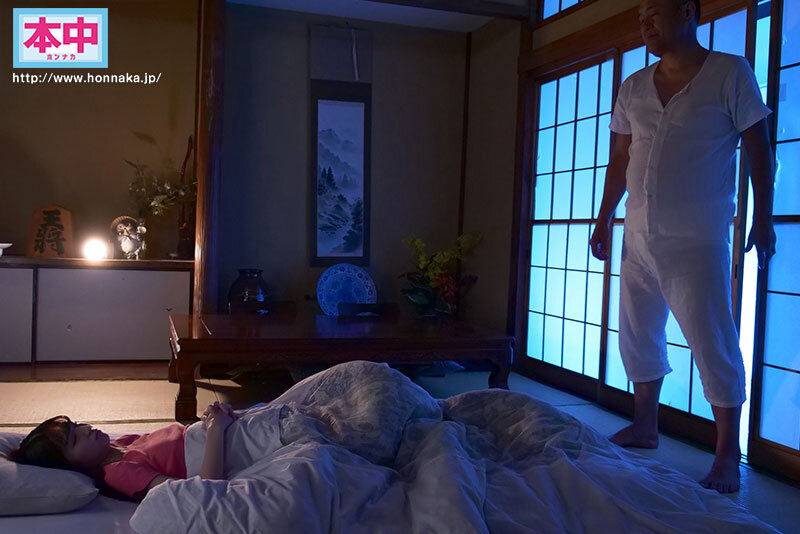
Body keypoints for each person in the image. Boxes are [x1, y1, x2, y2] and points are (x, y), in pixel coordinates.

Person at [589, 0, 776, 493]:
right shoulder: (633, 86)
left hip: (696, 238)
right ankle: (645, 425)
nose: (645, 23)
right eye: (640, 17)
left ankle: (726, 454)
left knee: (711, 340)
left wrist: (763, 218)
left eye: (654, 11)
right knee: (637, 331)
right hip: (638, 232)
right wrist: (604, 217)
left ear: (689, 10)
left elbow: (759, 146)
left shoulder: (729, 73)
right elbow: (619, 157)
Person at [8, 401, 239, 501]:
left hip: (229, 430)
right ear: (73, 466)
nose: (86, 429)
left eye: (76, 425)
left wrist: (209, 418)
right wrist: (215, 429)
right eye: (75, 439)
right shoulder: (119, 474)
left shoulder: (122, 442)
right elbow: (202, 491)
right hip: (232, 445)